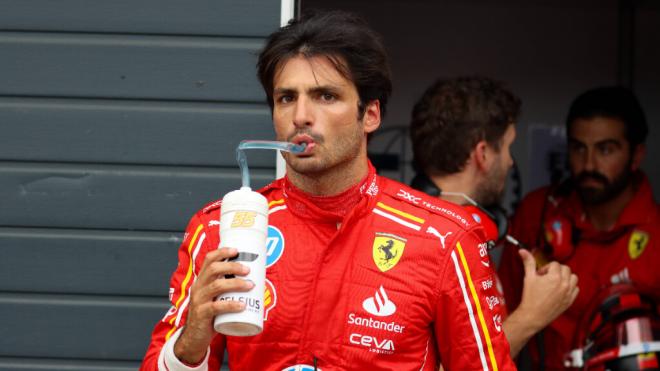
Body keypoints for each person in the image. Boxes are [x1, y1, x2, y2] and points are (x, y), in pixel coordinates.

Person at [140, 11, 516, 371]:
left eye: (325, 96)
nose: (301, 115)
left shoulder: (445, 238)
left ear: (370, 114)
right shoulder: (221, 228)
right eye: (286, 98)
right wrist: (191, 339)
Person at [408, 76, 579, 359]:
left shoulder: (463, 235)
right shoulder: (427, 249)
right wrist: (529, 317)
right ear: (483, 154)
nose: (511, 161)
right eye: (508, 147)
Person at [498, 86, 660, 369]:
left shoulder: (656, 231)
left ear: (636, 155)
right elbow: (498, 319)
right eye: (578, 148)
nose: (588, 164)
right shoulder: (536, 212)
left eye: (606, 149)